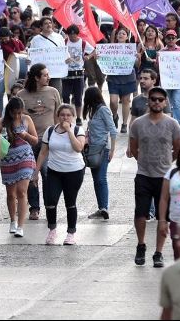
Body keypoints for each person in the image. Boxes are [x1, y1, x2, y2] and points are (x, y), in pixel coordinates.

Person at [129, 86, 180, 267]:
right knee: (140, 214)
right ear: (148, 101)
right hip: (143, 174)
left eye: (160, 99)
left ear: (165, 102)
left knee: (163, 217)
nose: (157, 102)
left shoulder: (172, 124)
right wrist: (143, 161)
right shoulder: (138, 124)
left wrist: (167, 162)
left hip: (164, 178)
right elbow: (134, 148)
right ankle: (141, 245)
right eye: (154, 99)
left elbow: (178, 147)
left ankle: (158, 252)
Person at [33, 104, 85, 246]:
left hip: (74, 171)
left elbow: (79, 148)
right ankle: (52, 230)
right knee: (50, 201)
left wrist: (69, 131)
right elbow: (43, 152)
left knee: (70, 202)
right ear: (57, 116)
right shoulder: (50, 131)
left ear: (73, 117)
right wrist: (36, 172)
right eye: (62, 115)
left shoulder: (77, 130)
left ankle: (71, 233)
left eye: (68, 115)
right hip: (54, 170)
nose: (65, 118)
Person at [18, 64, 62, 221]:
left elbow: (58, 115)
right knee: (30, 175)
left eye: (48, 74)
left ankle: (51, 205)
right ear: (36, 77)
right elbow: (17, 119)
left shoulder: (53, 92)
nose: (48, 77)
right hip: (28, 142)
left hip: (48, 141)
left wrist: (58, 135)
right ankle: (34, 208)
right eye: (45, 75)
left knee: (47, 174)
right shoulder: (21, 95)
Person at [0, 97, 38, 238]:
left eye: (20, 112)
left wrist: (25, 135)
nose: (18, 116)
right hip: (8, 159)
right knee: (10, 194)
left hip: (25, 157)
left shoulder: (26, 120)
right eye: (15, 113)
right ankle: (12, 221)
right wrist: (1, 141)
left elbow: (35, 140)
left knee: (21, 191)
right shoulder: (1, 123)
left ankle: (20, 226)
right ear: (9, 111)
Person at [81, 87, 118, 221]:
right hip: (93, 148)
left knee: (101, 179)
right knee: (97, 179)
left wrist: (112, 150)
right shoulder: (94, 111)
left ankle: (104, 208)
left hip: (102, 148)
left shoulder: (103, 110)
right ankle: (101, 207)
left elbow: (113, 130)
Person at [63, 25, 94, 125]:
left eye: (74, 34)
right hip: (66, 73)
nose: (72, 36)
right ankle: (66, 115)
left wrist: (88, 56)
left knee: (78, 96)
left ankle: (78, 117)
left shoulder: (83, 43)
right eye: (70, 34)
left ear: (77, 34)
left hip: (79, 73)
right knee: (65, 95)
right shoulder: (64, 42)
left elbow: (94, 50)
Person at [29, 17, 66, 93]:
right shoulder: (35, 40)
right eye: (46, 23)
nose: (48, 25)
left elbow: (64, 52)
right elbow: (31, 55)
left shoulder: (59, 37)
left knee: (57, 93)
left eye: (50, 23)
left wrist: (67, 59)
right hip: (41, 74)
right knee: (42, 94)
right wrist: (28, 60)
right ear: (41, 26)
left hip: (56, 72)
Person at [159, 30, 180, 123]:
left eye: (173, 38)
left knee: (177, 103)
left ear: (176, 39)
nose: (171, 39)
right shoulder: (161, 52)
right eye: (168, 38)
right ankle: (170, 123)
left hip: (178, 81)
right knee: (168, 104)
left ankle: (178, 125)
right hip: (166, 81)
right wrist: (158, 58)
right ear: (165, 39)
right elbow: (157, 67)